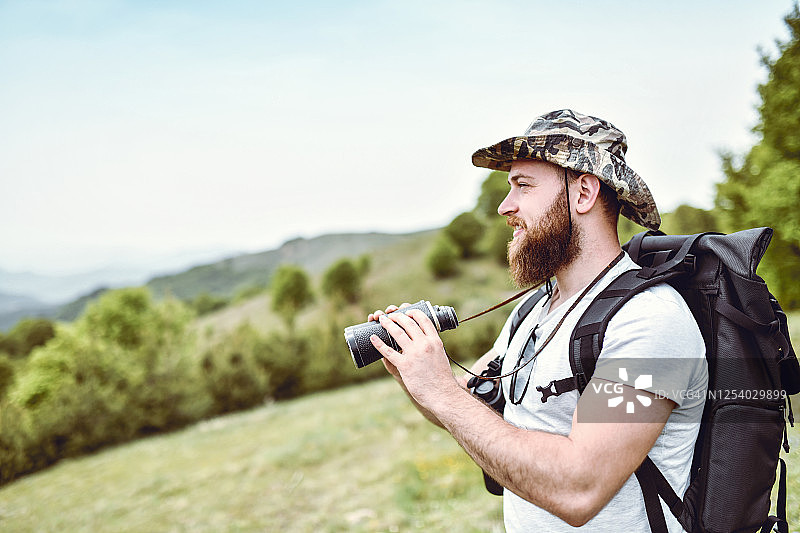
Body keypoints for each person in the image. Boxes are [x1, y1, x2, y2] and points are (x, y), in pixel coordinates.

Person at [367, 109, 708, 532]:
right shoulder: (533, 311)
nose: (504, 207)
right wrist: (413, 371)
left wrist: (440, 391)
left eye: (522, 186)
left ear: (583, 192)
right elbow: (468, 410)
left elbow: (580, 489)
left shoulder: (651, 321)